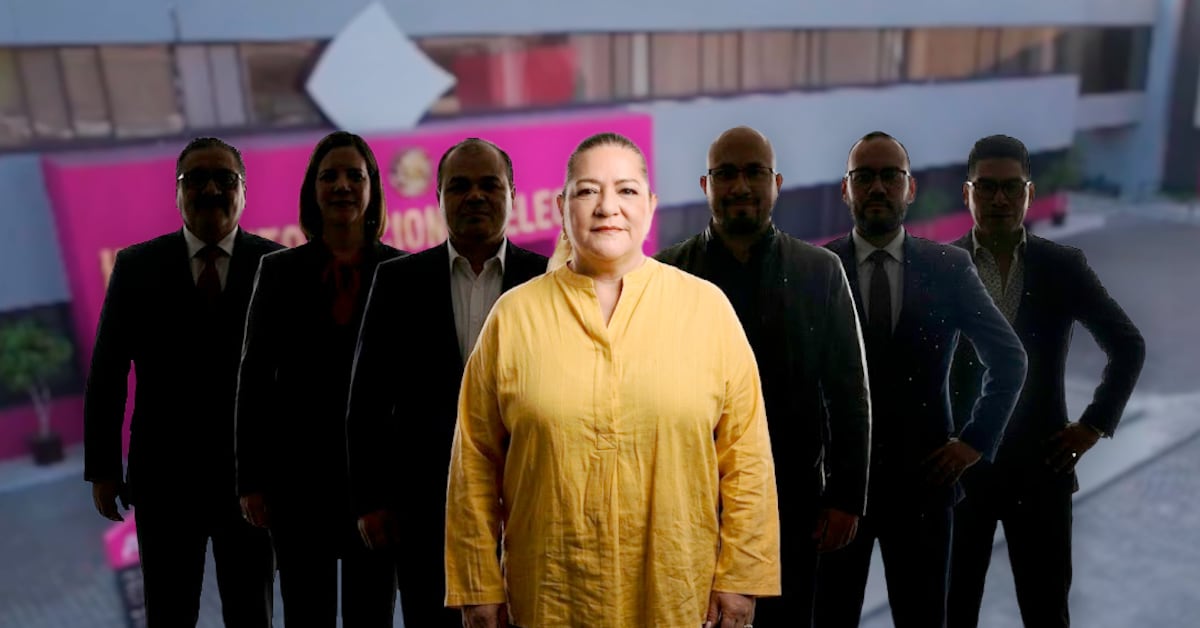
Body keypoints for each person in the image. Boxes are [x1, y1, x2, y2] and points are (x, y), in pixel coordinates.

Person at [443, 132, 780, 628]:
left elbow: (747, 459)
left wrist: (741, 577)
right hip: (549, 595)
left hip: (677, 594)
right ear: (561, 207)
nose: (607, 207)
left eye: (626, 190)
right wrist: (478, 586)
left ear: (650, 205)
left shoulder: (706, 310)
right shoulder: (514, 317)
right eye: (587, 191)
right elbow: (473, 464)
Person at [655, 125, 871, 627]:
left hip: (793, 507)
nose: (741, 186)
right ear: (706, 185)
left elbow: (849, 391)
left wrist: (846, 498)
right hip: (691, 508)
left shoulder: (819, 271)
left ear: (776, 183)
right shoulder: (666, 276)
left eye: (754, 172)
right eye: (726, 174)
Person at [815, 131, 1028, 628]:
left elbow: (1009, 358)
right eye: (864, 176)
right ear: (845, 190)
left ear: (910, 188)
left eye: (891, 176)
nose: (877, 187)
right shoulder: (818, 269)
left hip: (925, 488)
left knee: (924, 618)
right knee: (828, 618)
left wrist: (975, 441)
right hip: (838, 491)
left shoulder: (948, 267)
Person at [345, 137, 548, 627]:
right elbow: (367, 399)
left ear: (512, 195)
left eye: (489, 185)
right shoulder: (398, 282)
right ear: (438, 198)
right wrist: (371, 501)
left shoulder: (549, 282)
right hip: (425, 510)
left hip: (532, 505)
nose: (474, 196)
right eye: (459, 186)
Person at [946, 135, 1145, 627]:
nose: (999, 199)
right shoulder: (939, 267)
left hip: (1041, 471)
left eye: (1011, 187)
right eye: (986, 187)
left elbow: (1127, 344)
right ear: (967, 193)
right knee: (951, 612)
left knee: (1047, 613)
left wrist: (1094, 425)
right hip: (960, 476)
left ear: (1029, 194)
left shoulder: (1062, 267)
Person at [83, 137, 281, 627]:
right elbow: (108, 370)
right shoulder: (136, 267)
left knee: (251, 613)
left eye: (224, 178)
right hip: (165, 479)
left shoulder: (277, 267)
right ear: (177, 192)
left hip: (251, 481)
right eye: (196, 179)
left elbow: (297, 377)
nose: (210, 189)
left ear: (244, 191)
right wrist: (103, 468)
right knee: (169, 612)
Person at [234, 131, 404, 626]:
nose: (342, 185)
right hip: (297, 487)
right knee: (306, 614)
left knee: (372, 615)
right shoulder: (278, 271)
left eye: (355, 175)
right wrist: (250, 480)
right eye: (330, 176)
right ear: (313, 190)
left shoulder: (402, 272)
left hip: (377, 486)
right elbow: (254, 378)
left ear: (372, 188)